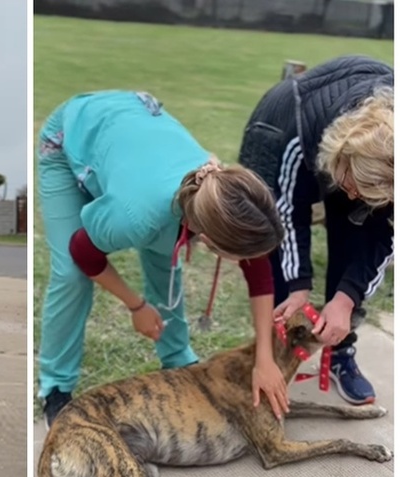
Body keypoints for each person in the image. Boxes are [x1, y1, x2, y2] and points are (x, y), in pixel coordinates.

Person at [37, 90, 286, 428]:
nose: (246, 262)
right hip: (70, 139)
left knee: (163, 249)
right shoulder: (135, 217)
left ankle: (178, 359)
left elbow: (260, 275)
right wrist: (137, 306)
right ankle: (56, 386)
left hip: (129, 129)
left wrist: (265, 358)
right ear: (209, 241)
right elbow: (84, 252)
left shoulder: (228, 200)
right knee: (72, 274)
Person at [238, 55, 393, 405]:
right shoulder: (294, 137)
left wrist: (346, 298)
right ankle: (278, 354)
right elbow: (287, 214)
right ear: (340, 159)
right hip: (287, 129)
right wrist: (298, 285)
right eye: (353, 188)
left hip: (360, 157)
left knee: (356, 234)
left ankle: (340, 353)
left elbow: (386, 237)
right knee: (273, 244)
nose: (354, 197)